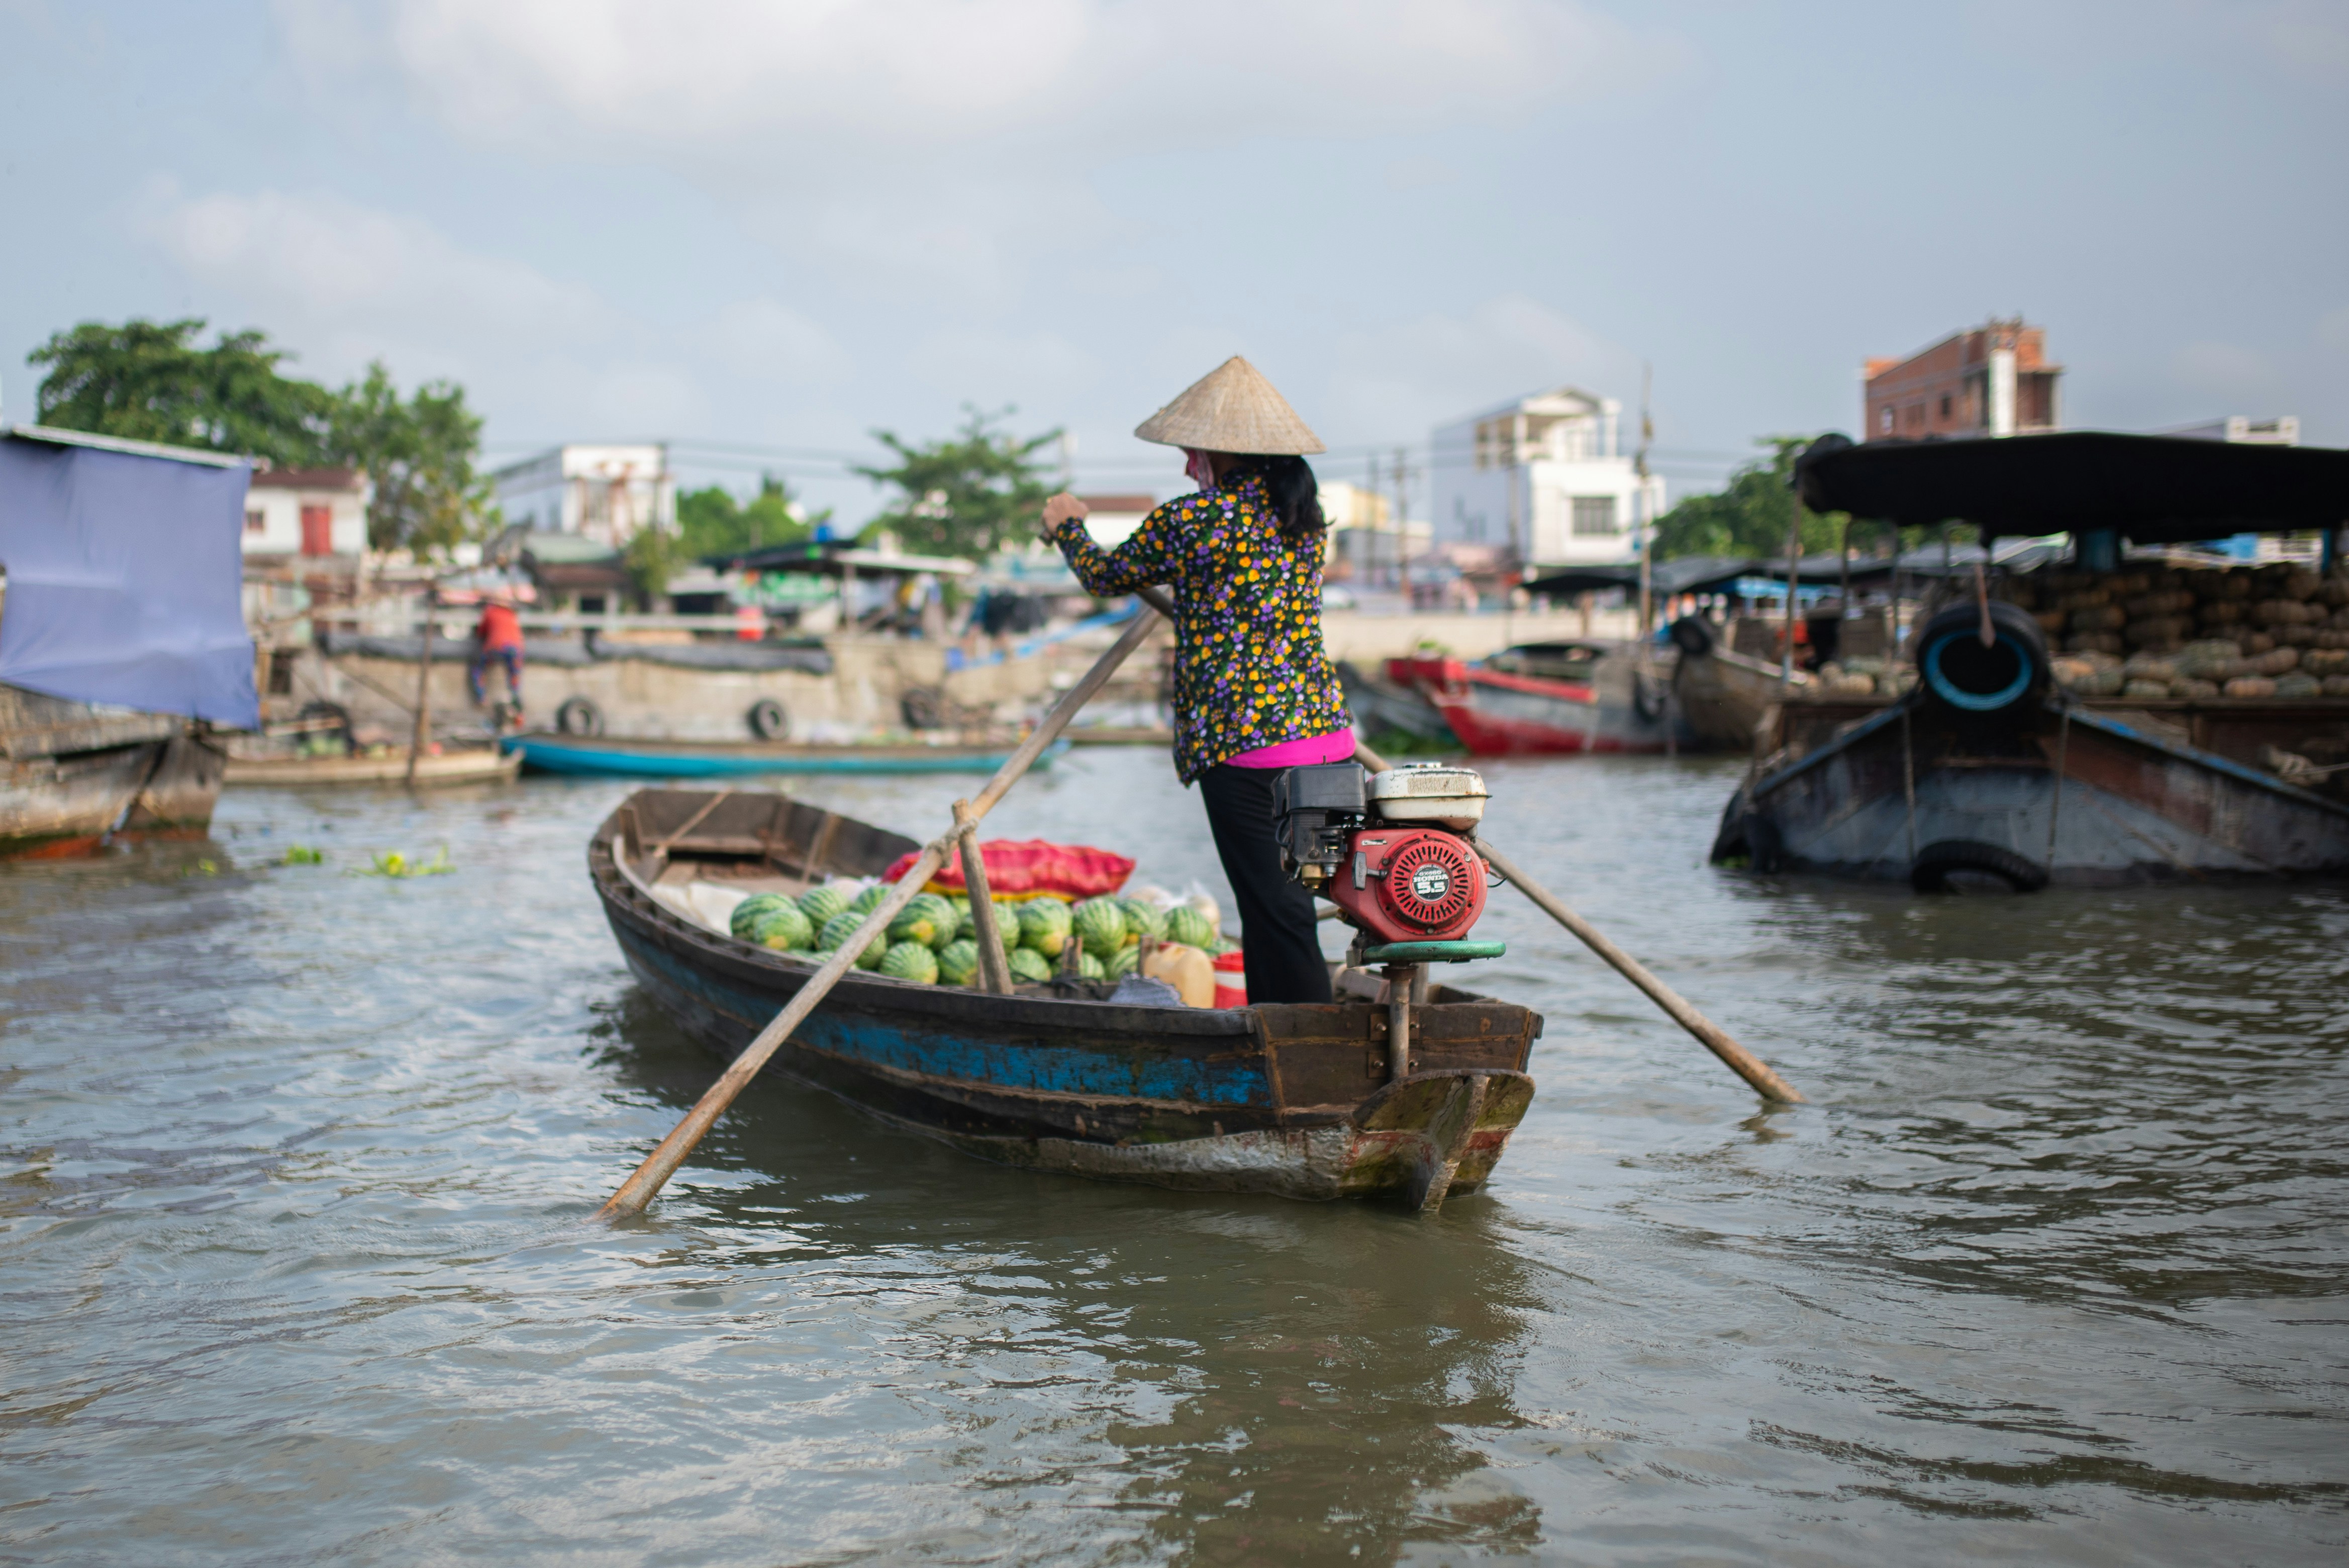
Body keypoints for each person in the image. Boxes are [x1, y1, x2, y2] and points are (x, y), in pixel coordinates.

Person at [1039, 356, 1352, 1005]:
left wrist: (1067, 526)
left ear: (1224, 454)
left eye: (1192, 453)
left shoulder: (1195, 521)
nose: (1186, 467)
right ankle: (1284, 1040)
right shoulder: (1303, 524)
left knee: (1271, 912)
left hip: (1249, 751)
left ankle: (1299, 1053)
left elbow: (1103, 574)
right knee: (1293, 912)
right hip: (1327, 748)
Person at [469, 592, 525, 723]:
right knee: (514, 677)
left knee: (478, 669)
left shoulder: (490, 612)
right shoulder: (512, 614)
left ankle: (481, 698)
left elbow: (481, 632)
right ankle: (517, 706)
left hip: (496, 647)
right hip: (516, 649)